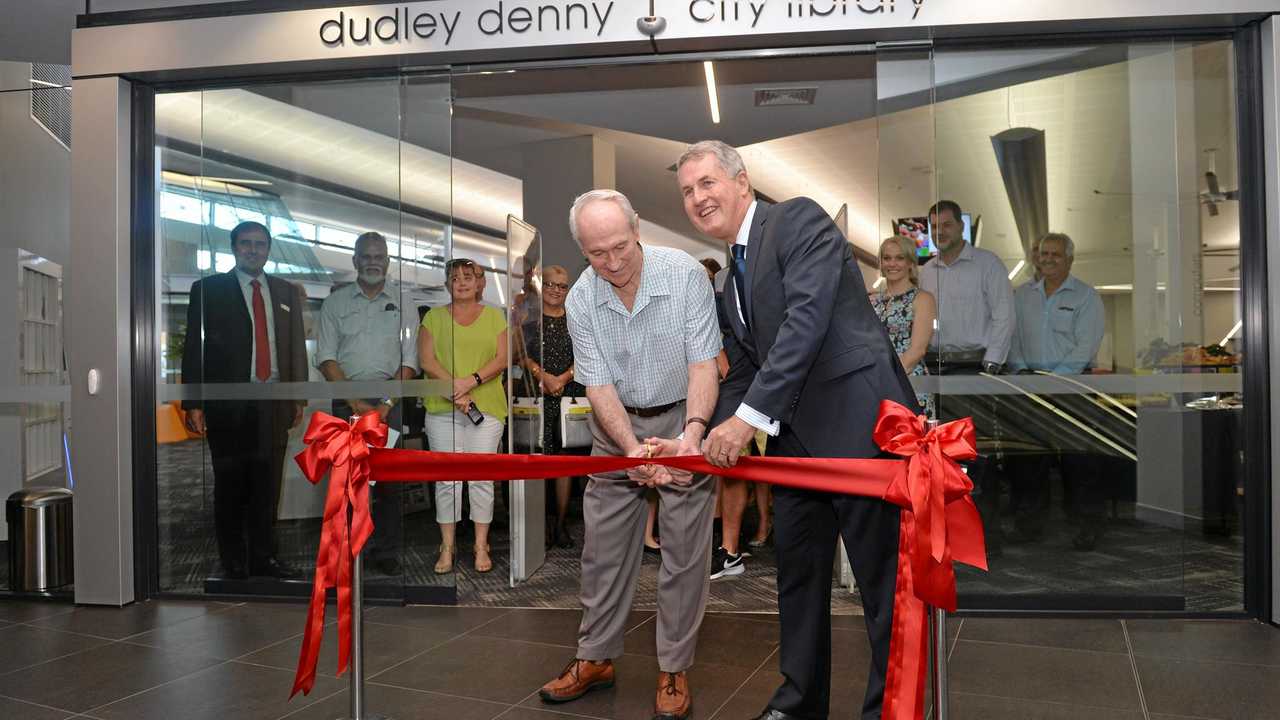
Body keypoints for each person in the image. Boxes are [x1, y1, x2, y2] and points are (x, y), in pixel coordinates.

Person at [671, 140, 918, 720]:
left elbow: (805, 323)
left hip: (861, 430)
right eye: (686, 191)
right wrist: (705, 431)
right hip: (794, 443)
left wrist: (746, 422)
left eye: (707, 183)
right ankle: (800, 703)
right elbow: (744, 366)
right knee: (798, 579)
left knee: (884, 583)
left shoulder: (797, 219)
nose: (698, 198)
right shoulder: (727, 278)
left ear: (741, 182)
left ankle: (891, 710)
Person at [538, 190, 720, 720]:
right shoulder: (579, 300)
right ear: (582, 249)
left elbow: (704, 367)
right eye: (598, 254)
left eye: (621, 246)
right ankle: (595, 658)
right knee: (602, 551)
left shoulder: (685, 274)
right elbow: (597, 386)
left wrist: (690, 436)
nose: (613, 263)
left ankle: (673, 668)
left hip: (683, 419)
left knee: (684, 552)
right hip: (615, 428)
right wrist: (629, 450)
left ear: (637, 227)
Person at [182, 220, 307, 580]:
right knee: (230, 482)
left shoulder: (285, 291)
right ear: (234, 248)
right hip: (228, 402)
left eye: (260, 244)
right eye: (246, 244)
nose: (253, 249)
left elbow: (295, 344)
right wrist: (194, 401)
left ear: (269, 250)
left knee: (268, 485)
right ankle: (233, 560)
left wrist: (296, 396)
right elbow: (194, 347)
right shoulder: (208, 289)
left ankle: (264, 558)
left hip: (274, 401)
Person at [315, 231, 419, 576]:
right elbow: (327, 358)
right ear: (355, 260)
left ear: (387, 262)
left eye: (379, 256)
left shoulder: (403, 304)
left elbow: (410, 360)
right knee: (347, 481)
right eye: (366, 256)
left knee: (389, 482)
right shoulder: (336, 304)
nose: (373, 262)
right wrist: (355, 402)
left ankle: (385, 552)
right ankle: (347, 549)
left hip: (391, 401)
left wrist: (386, 401)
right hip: (347, 403)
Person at [918, 199, 1015, 557]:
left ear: (962, 227)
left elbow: (1005, 315)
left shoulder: (987, 264)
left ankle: (987, 540)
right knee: (941, 458)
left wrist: (990, 367)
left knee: (978, 456)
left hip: (977, 369)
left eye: (946, 225)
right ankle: (951, 538)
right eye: (934, 226)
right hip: (937, 370)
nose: (939, 232)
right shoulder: (927, 271)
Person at [1005, 232, 1107, 550]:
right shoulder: (1021, 296)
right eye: (1043, 254)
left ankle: (1087, 527)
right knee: (1028, 463)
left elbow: (1086, 346)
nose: (1047, 259)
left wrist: (1054, 381)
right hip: (1029, 390)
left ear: (1069, 260)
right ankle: (1029, 526)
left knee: (1079, 465)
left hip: (1072, 390)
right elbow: (1012, 339)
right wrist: (1023, 374)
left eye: (1055, 255)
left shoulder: (1086, 296)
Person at [418, 258, 508, 574]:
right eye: (454, 277)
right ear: (447, 284)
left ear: (480, 282)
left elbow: (502, 359)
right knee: (447, 479)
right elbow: (427, 361)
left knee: (481, 478)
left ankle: (481, 545)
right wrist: (456, 392)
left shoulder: (496, 317)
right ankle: (447, 545)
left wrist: (470, 382)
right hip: (443, 408)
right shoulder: (433, 318)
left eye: (468, 276)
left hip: (487, 408)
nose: (461, 282)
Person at [700, 257, 770, 579]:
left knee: (744, 466)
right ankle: (727, 549)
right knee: (725, 465)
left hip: (755, 382)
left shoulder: (772, 272)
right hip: (732, 384)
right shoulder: (720, 288)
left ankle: (733, 548)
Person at [522, 264, 587, 549]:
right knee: (538, 459)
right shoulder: (528, 322)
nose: (556, 291)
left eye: (562, 286)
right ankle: (540, 526)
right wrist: (542, 375)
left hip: (568, 396)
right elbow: (520, 356)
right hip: (536, 396)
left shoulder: (577, 320)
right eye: (550, 285)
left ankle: (560, 525)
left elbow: (587, 355)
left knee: (564, 461)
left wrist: (561, 378)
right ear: (541, 286)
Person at [870, 234, 937, 417]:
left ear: (910, 263)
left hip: (909, 383)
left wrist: (886, 379)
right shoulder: (871, 300)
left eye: (900, 258)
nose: (892, 264)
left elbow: (917, 350)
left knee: (909, 442)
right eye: (887, 258)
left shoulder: (923, 299)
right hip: (875, 384)